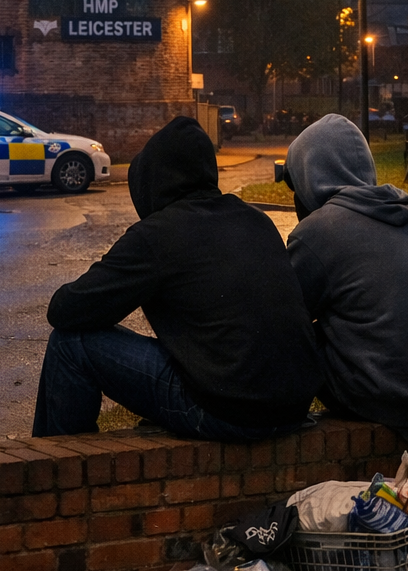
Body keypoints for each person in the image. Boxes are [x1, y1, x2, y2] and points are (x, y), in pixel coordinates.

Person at [33, 116, 320, 440]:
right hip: (293, 408)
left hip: (231, 412)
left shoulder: (157, 235)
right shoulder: (255, 219)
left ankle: (61, 471)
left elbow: (65, 310)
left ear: (150, 181)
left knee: (71, 344)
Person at [281, 113, 408, 454]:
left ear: (309, 177)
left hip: (389, 400)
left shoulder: (318, 232)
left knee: (293, 336)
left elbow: (281, 314)